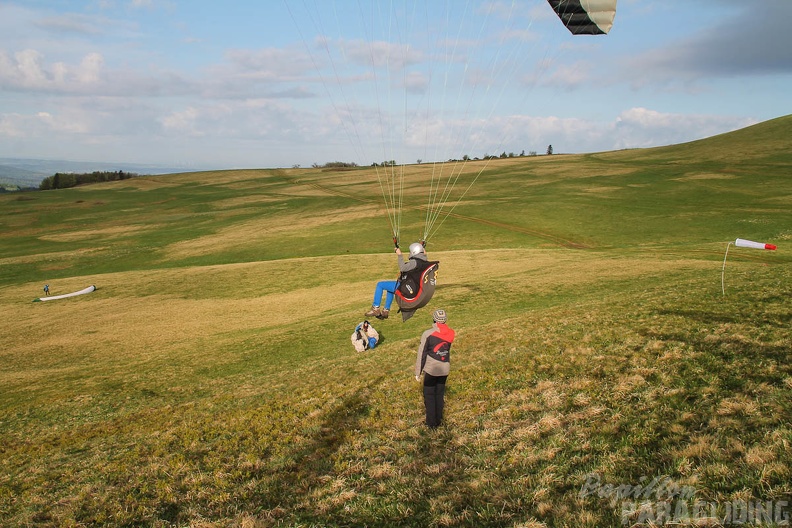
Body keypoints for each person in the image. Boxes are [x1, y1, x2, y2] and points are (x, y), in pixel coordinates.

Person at [365, 242, 429, 320]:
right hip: (412, 287)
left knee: (380, 285)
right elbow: (424, 254)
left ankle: (375, 308)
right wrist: (421, 248)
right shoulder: (424, 261)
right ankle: (386, 310)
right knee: (390, 289)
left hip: (406, 287)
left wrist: (399, 255)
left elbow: (402, 267)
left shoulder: (415, 262)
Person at [414, 308, 455, 428]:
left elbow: (422, 354)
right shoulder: (451, 333)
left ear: (434, 319)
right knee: (439, 394)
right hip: (445, 368)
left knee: (429, 395)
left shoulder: (428, 334)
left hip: (432, 369)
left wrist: (418, 372)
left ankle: (431, 423)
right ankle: (439, 419)